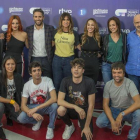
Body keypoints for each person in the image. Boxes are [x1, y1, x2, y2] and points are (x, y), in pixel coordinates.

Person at [96, 62, 140, 140]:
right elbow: (105, 105)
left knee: (138, 114)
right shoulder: (108, 84)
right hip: (114, 109)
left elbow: (138, 103)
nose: (116, 75)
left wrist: (121, 114)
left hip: (128, 110)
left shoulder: (130, 83)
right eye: (114, 72)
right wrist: (112, 122)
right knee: (99, 122)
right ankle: (118, 124)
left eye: (119, 72)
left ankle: (131, 137)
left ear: (123, 73)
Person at [57, 58, 96, 140]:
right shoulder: (65, 81)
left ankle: (82, 123)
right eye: (74, 67)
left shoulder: (89, 82)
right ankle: (70, 125)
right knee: (60, 110)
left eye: (79, 67)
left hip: (83, 111)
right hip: (72, 109)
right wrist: (75, 107)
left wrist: (86, 126)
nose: (76, 69)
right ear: (71, 70)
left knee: (87, 138)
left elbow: (91, 106)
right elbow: (59, 100)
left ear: (83, 70)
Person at [17, 61, 58, 139]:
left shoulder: (48, 80)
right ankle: (37, 121)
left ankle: (50, 127)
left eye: (39, 70)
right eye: (34, 70)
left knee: (55, 105)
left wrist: (36, 108)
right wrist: (33, 114)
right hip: (34, 107)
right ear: (30, 73)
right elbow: (23, 106)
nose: (37, 72)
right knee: (20, 118)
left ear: (41, 71)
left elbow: (54, 98)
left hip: (44, 106)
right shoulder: (27, 85)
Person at [52, 12, 80, 94]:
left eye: (68, 20)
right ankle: (57, 104)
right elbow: (51, 45)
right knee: (57, 83)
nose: (66, 21)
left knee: (68, 83)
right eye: (64, 19)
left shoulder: (74, 33)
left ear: (70, 21)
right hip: (57, 59)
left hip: (69, 60)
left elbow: (78, 46)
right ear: (61, 21)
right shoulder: (55, 32)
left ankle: (67, 103)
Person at [0, 56, 24, 139]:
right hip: (3, 102)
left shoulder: (18, 77)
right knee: (0, 106)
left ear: (15, 65)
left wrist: (21, 106)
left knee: (22, 119)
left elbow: (21, 93)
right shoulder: (0, 76)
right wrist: (12, 102)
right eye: (8, 64)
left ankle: (9, 115)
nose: (10, 66)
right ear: (4, 65)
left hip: (13, 103)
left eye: (12, 64)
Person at [27, 8, 54, 78]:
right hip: (34, 58)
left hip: (47, 58)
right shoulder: (28, 29)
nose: (38, 19)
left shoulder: (50, 28)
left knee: (48, 79)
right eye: (35, 17)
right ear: (33, 17)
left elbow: (54, 43)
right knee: (34, 80)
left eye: (39, 16)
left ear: (43, 17)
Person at [101, 17, 127, 84]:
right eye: (110, 25)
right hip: (107, 66)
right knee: (107, 87)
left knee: (118, 87)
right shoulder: (105, 37)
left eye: (113, 25)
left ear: (117, 25)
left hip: (119, 66)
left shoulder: (124, 36)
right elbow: (101, 49)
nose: (111, 27)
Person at [80, 18, 101, 84]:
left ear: (95, 27)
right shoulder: (81, 37)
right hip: (83, 65)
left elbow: (103, 50)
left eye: (92, 25)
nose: (90, 27)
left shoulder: (99, 38)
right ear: (86, 26)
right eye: (88, 25)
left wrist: (99, 54)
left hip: (94, 65)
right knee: (82, 86)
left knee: (93, 85)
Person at [126, 14, 140, 92]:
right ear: (134, 24)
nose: (139, 24)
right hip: (132, 72)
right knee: (134, 98)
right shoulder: (129, 36)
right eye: (137, 22)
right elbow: (126, 52)